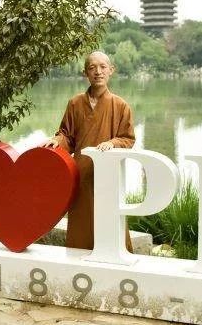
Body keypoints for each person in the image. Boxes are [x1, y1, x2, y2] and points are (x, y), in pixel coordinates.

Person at [43, 51, 136, 251]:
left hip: (107, 173)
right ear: (85, 72)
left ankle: (117, 258)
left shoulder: (121, 106)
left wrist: (113, 143)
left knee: (110, 219)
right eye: (92, 67)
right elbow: (67, 135)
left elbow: (128, 138)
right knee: (81, 221)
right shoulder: (75, 103)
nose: (98, 72)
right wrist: (56, 140)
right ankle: (79, 260)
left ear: (111, 70)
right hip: (81, 173)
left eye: (103, 67)